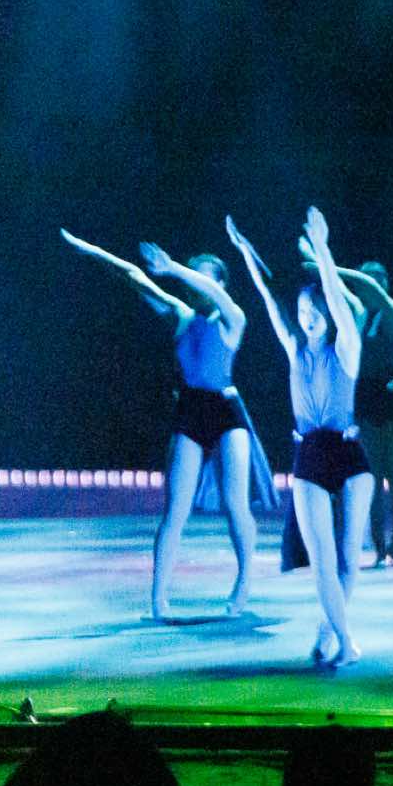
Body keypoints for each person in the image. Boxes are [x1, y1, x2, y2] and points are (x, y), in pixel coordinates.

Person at [61, 229, 268, 621]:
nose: (194, 283)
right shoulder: (182, 316)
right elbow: (134, 277)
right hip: (190, 410)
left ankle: (243, 582)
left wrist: (173, 268)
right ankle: (158, 598)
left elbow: (214, 294)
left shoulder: (233, 318)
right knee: (175, 510)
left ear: (220, 283)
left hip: (227, 412)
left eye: (202, 276)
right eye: (191, 275)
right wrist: (92, 250)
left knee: (235, 504)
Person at [230, 209, 373, 666]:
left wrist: (323, 250)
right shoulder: (295, 350)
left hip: (350, 457)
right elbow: (268, 298)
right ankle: (344, 641)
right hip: (310, 457)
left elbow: (337, 300)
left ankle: (330, 631)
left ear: (328, 312)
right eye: (302, 313)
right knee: (323, 561)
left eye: (315, 311)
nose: (307, 318)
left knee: (348, 559)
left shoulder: (347, 348)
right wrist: (245, 254)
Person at [302, 250, 393, 568]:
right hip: (366, 400)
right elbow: (338, 288)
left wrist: (334, 267)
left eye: (379, 278)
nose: (374, 283)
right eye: (370, 278)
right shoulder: (356, 313)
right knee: (371, 476)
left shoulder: (392, 313)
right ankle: (379, 545)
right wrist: (315, 257)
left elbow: (360, 286)